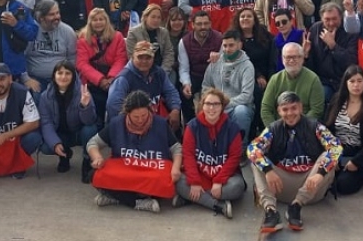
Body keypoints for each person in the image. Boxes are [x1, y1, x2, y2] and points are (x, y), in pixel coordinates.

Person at [247, 90, 342, 233]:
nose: (290, 113)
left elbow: (336, 146)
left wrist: (320, 173)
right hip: (280, 186)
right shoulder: (273, 129)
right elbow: (252, 148)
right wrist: (268, 170)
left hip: (310, 187)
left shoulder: (314, 126)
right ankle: (271, 212)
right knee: (256, 160)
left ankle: (296, 207)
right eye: (285, 109)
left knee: (328, 159)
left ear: (301, 108)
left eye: (294, 108)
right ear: (279, 111)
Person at [88, 90, 183, 213]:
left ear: (150, 110)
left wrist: (176, 168)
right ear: (127, 113)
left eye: (144, 115)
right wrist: (97, 157)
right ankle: (136, 202)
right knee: (94, 174)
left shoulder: (160, 123)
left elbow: (176, 148)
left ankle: (115, 197)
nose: (140, 120)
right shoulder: (117, 123)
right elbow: (92, 143)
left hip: (151, 170)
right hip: (126, 169)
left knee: (166, 180)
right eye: (136, 117)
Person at [173, 88, 246, 217]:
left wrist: (219, 181)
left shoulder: (233, 128)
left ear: (222, 106)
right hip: (200, 176)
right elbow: (188, 155)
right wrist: (194, 182)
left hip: (225, 178)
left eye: (216, 104)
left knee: (237, 187)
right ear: (202, 105)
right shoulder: (192, 126)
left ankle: (192, 198)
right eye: (208, 104)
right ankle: (219, 205)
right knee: (179, 183)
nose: (211, 108)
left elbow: (234, 158)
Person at [325, 66, 363, 195]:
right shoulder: (336, 100)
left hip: (361, 154)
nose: (356, 85)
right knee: (322, 177)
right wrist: (332, 157)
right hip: (338, 150)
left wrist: (356, 162)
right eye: (352, 81)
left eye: (359, 81)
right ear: (345, 83)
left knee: (343, 186)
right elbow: (326, 130)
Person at [38, 60, 98, 181]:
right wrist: (55, 143)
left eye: (68, 73)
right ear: (54, 76)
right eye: (60, 73)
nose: (63, 77)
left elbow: (90, 121)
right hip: (60, 134)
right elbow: (46, 122)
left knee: (90, 129)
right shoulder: (45, 96)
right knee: (46, 147)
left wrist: (85, 106)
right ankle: (64, 156)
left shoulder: (83, 92)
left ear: (73, 76)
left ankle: (87, 160)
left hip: (78, 133)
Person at [106, 40, 182, 130]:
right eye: (140, 57)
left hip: (155, 121)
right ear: (133, 57)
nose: (144, 61)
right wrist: (131, 124)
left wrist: (175, 109)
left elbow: (171, 92)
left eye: (148, 58)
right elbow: (114, 106)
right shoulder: (123, 78)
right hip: (133, 125)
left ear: (153, 59)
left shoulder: (159, 73)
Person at [76, 8, 128, 127]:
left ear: (106, 21)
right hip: (92, 80)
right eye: (94, 20)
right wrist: (100, 80)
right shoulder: (83, 40)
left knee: (115, 102)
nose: (98, 22)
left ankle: (114, 128)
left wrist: (111, 78)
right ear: (90, 22)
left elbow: (120, 59)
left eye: (101, 19)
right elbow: (82, 64)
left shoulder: (117, 37)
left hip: (112, 78)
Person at [200, 31, 256, 140]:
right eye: (224, 46)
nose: (227, 49)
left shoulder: (247, 66)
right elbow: (206, 86)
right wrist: (212, 103)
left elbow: (247, 95)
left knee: (241, 112)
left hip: (238, 106)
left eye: (231, 45)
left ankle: (241, 147)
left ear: (239, 45)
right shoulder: (215, 62)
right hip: (216, 104)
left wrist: (224, 104)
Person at [23, 0, 78, 99]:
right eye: (51, 14)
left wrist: (66, 77)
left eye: (57, 13)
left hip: (61, 77)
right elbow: (21, 56)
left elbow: (72, 57)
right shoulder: (30, 30)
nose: (56, 17)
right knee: (36, 97)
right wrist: (26, 79)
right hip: (36, 78)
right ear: (41, 17)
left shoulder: (67, 31)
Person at [260, 43, 324, 126]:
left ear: (302, 58)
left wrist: (299, 129)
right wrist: (274, 130)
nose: (291, 60)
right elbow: (266, 109)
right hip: (278, 128)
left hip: (306, 128)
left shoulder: (313, 79)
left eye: (295, 57)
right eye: (288, 57)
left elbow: (317, 110)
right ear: (282, 59)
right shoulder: (275, 79)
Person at [304, 2, 355, 102]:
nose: (331, 23)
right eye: (327, 19)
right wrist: (305, 56)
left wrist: (333, 46)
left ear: (341, 17)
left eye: (334, 19)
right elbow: (311, 64)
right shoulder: (315, 29)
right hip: (322, 80)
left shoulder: (348, 31)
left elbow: (351, 62)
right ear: (321, 19)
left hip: (343, 80)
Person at [177, 10, 223, 119]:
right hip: (195, 75)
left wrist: (220, 57)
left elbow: (225, 65)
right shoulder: (184, 41)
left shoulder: (219, 38)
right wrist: (186, 84)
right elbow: (183, 68)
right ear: (192, 25)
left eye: (206, 23)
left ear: (210, 24)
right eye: (199, 24)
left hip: (214, 75)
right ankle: (190, 124)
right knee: (183, 93)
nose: (203, 27)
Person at [125, 4, 176, 79]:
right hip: (141, 68)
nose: (156, 20)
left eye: (159, 18)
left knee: (172, 75)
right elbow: (131, 56)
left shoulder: (164, 32)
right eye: (153, 17)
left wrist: (163, 71)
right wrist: (146, 73)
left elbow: (169, 53)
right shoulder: (133, 33)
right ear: (145, 17)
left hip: (160, 68)